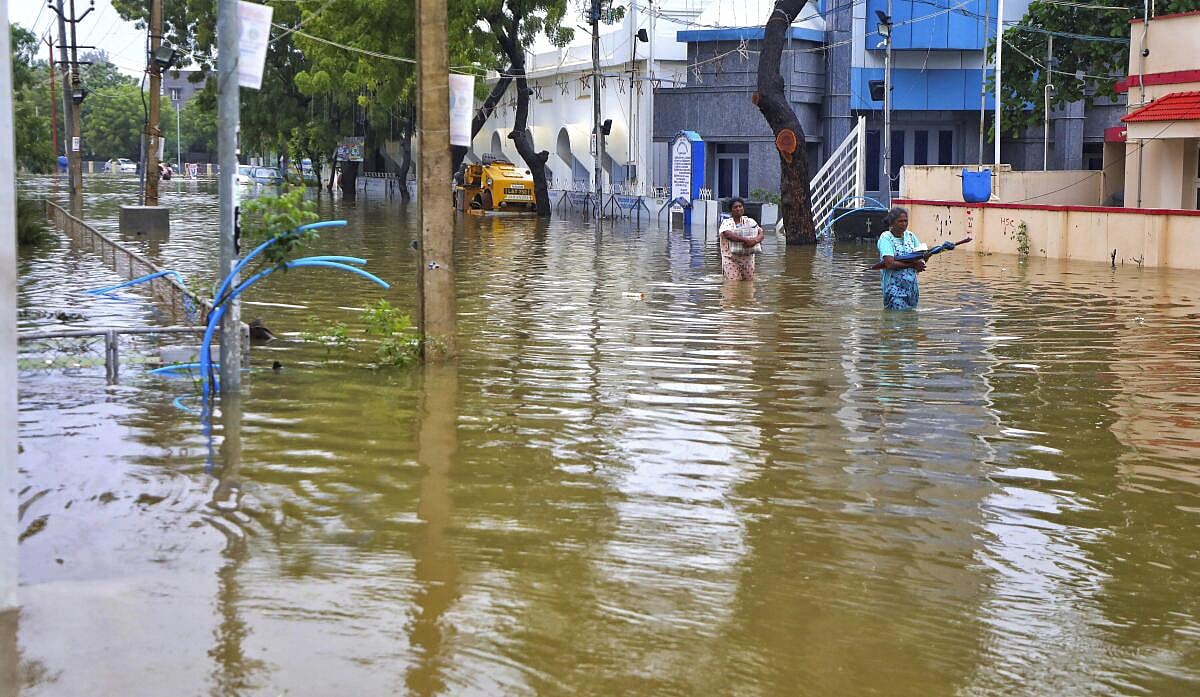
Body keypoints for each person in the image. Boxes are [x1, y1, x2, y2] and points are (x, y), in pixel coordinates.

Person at [876, 206, 927, 310]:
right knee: (895, 322)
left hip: (912, 289)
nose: (904, 224)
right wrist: (913, 264)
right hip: (894, 290)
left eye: (905, 221)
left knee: (911, 323)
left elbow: (920, 257)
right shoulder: (886, 238)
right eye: (900, 221)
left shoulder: (911, 237)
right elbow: (890, 264)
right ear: (892, 223)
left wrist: (923, 261)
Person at [718, 198, 764, 281]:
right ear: (731, 210)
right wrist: (746, 240)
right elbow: (728, 235)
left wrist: (754, 241)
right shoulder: (726, 223)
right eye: (735, 207)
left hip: (748, 259)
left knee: (748, 284)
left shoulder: (750, 221)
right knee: (733, 285)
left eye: (740, 206)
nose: (738, 209)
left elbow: (760, 233)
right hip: (731, 259)